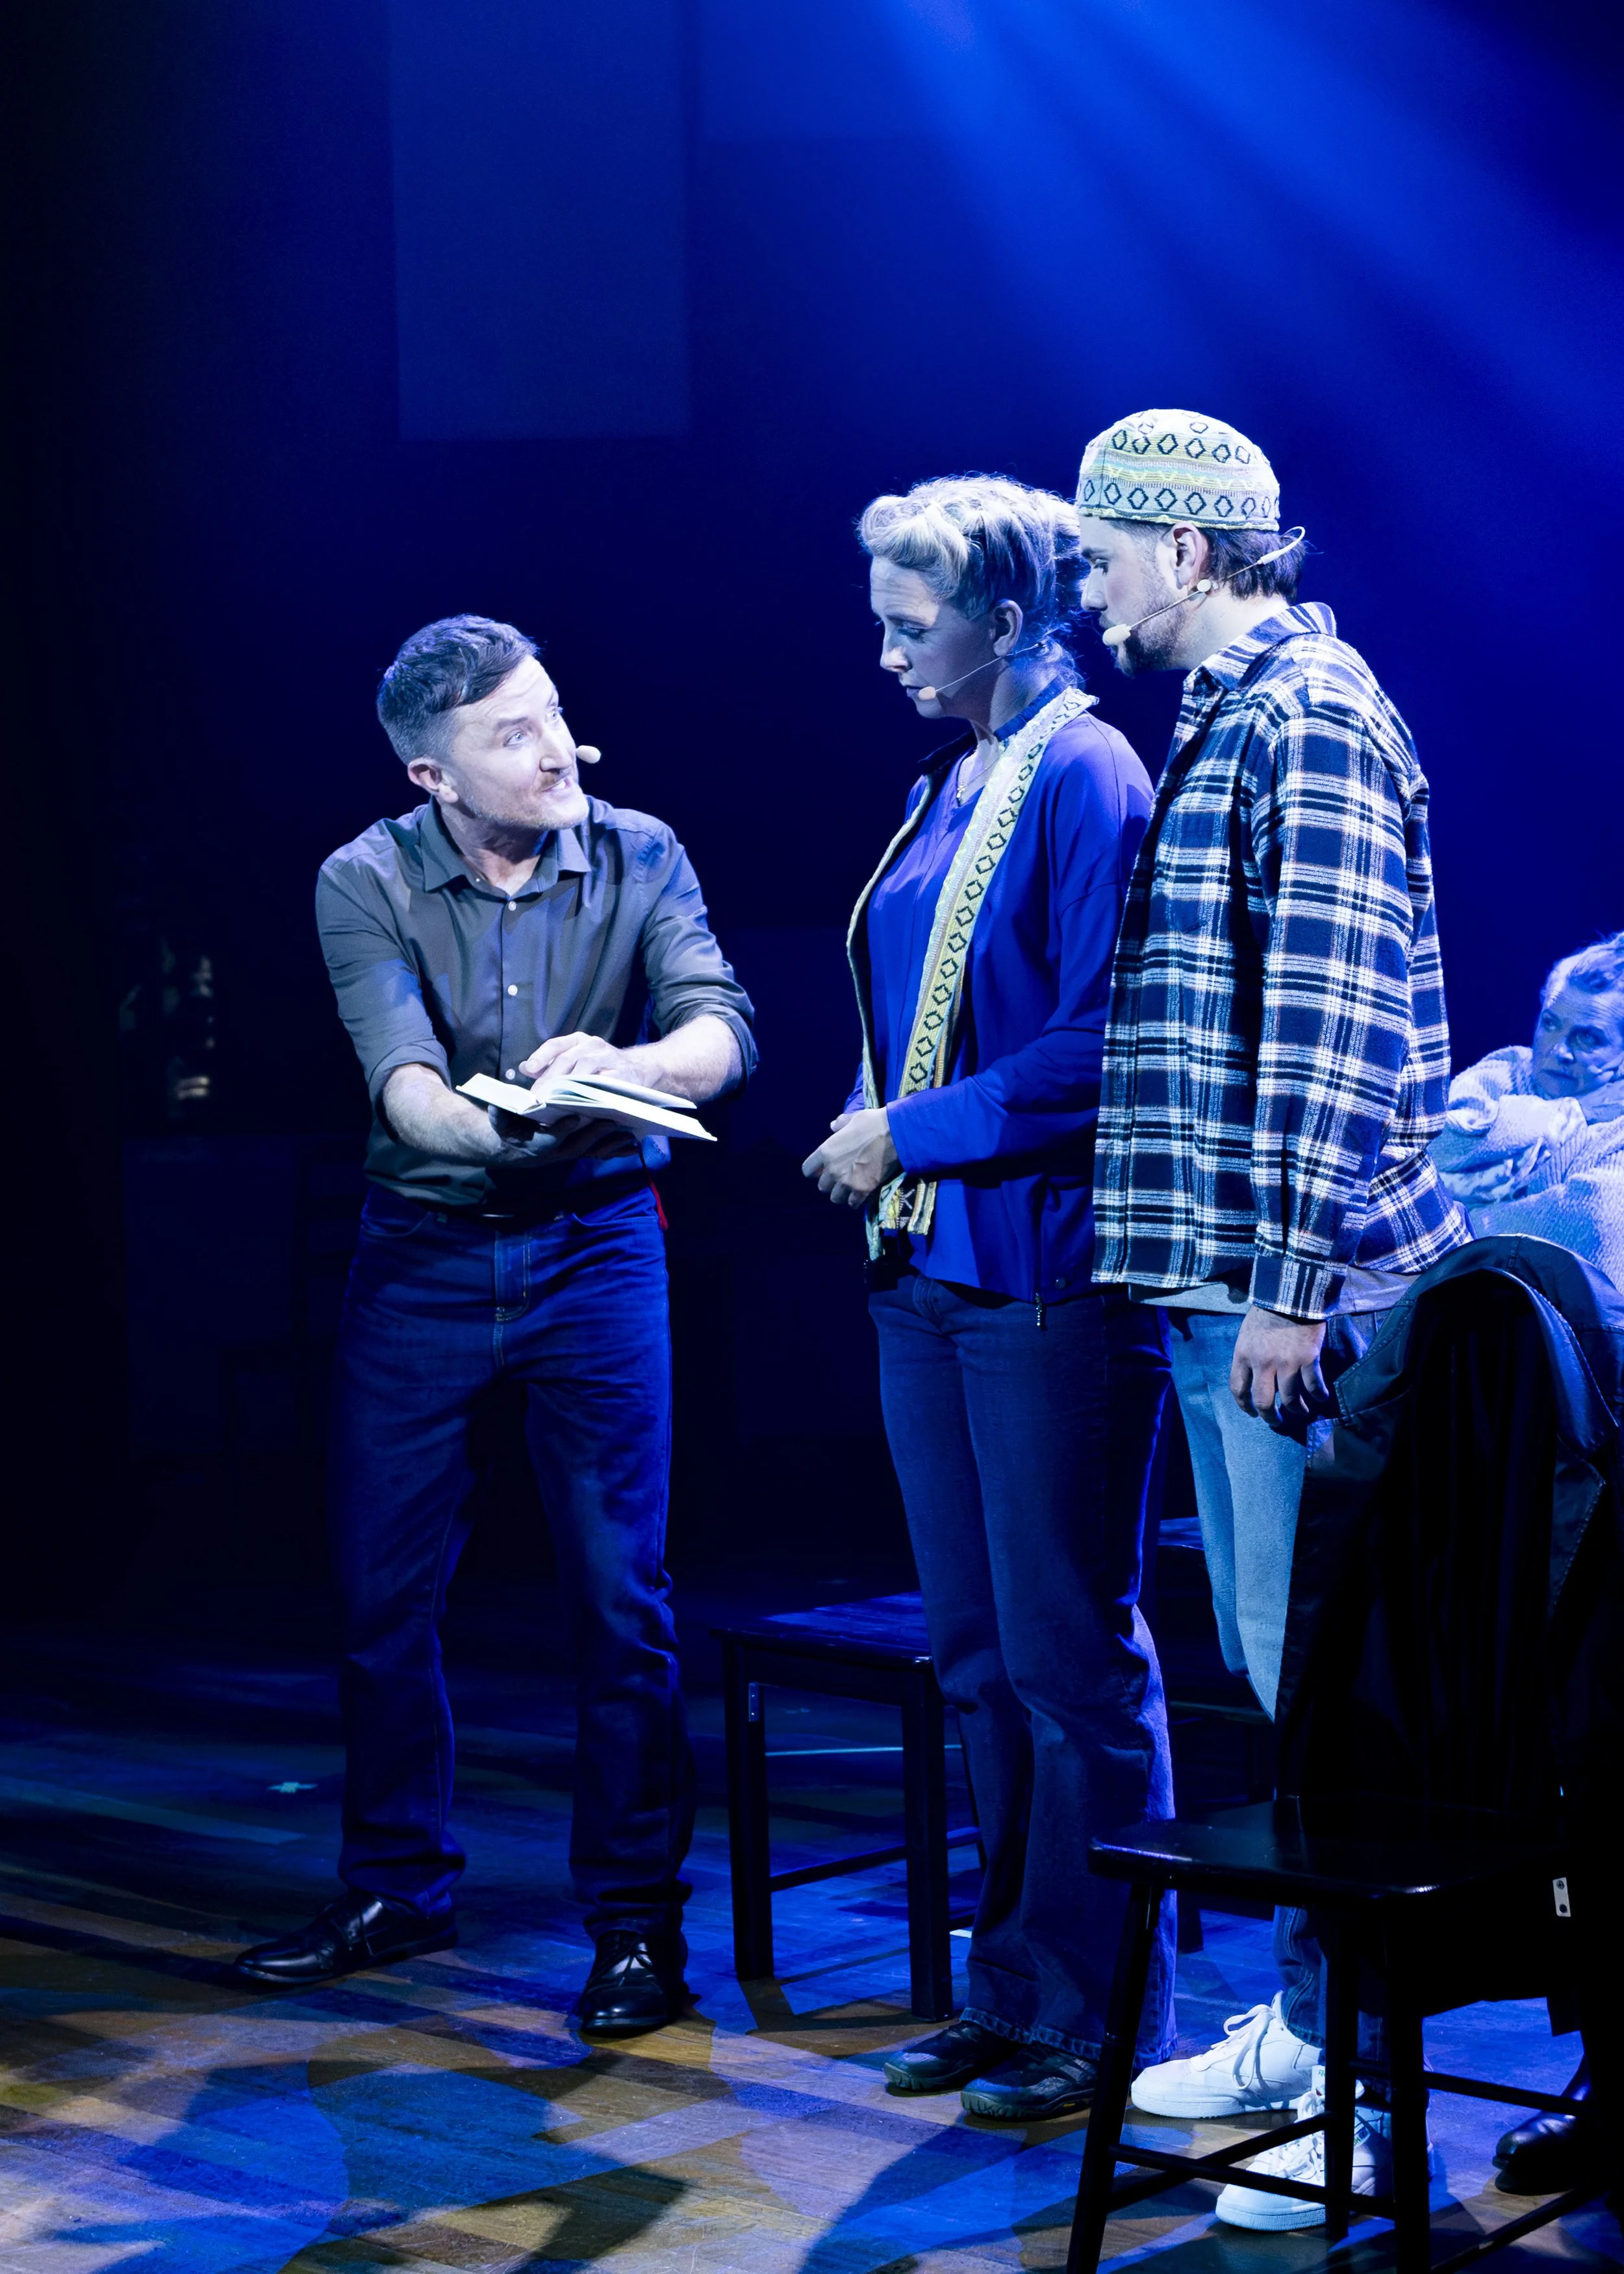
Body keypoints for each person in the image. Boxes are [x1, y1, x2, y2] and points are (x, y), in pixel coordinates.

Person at [232, 615, 755, 2033]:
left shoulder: (639, 848)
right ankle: (396, 1883)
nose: (555, 751)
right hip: (424, 1256)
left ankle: (636, 1927)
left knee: (619, 1599)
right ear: (430, 773)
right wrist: (491, 1124)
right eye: (511, 734)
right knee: (380, 1596)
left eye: (556, 714)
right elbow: (397, 1077)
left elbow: (720, 1029)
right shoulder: (364, 878)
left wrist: (622, 1067)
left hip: (597, 1249)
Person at [1076, 411, 1469, 2228]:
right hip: (1226, 1284)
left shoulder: (1302, 715)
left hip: (1286, 1295)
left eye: (1103, 553)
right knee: (1276, 1681)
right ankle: (1309, 2024)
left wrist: (1281, 1284)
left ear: (1189, 550)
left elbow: (1324, 1024)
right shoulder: (1234, 713)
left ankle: (1359, 2097)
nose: (1088, 590)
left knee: (1332, 1698)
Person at [802, 476, 1175, 2123]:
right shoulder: (949, 781)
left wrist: (909, 1131)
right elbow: (928, 1013)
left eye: (910, 620)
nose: (883, 649)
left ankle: (1104, 2014)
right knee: (971, 1652)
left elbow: (1106, 1043)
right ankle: (1013, 1988)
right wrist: (880, 1112)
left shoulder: (1084, 772)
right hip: (928, 1271)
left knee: (1065, 1657)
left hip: (1042, 1272)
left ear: (1005, 622)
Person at [1432, 930, 1623, 1288]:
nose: (1556, 1051)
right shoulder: (1506, 1069)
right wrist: (1565, 1114)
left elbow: (1589, 1228)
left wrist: (1456, 1221)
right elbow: (1436, 1145)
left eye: (1588, 1037)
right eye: (1550, 1023)